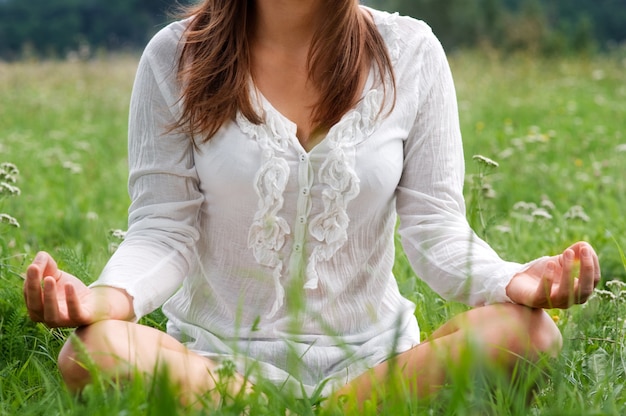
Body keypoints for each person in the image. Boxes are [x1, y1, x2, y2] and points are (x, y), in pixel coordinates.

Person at [24, 0, 600, 409]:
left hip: (378, 365)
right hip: (214, 360)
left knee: (531, 337)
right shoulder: (176, 57)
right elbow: (161, 229)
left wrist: (511, 282)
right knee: (93, 351)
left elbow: (435, 228)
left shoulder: (412, 51)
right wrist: (105, 297)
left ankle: (290, 410)